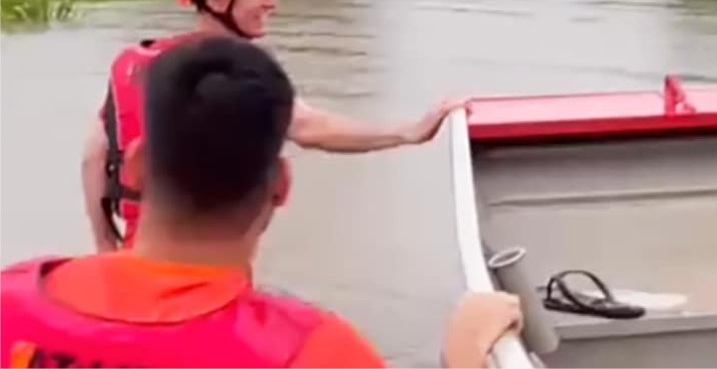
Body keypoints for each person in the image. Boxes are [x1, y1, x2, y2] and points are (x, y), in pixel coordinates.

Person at [3, 36, 519, 368]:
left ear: (135, 167)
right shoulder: (315, 352)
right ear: (282, 187)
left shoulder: (12, 301)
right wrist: (464, 350)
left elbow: (93, 157)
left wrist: (100, 239)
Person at [82, 0, 466, 252]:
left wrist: (103, 247)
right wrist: (408, 132)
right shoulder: (241, 75)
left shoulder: (133, 63)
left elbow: (94, 158)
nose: (272, 3)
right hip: (202, 275)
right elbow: (311, 128)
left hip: (129, 265)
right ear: (216, 0)